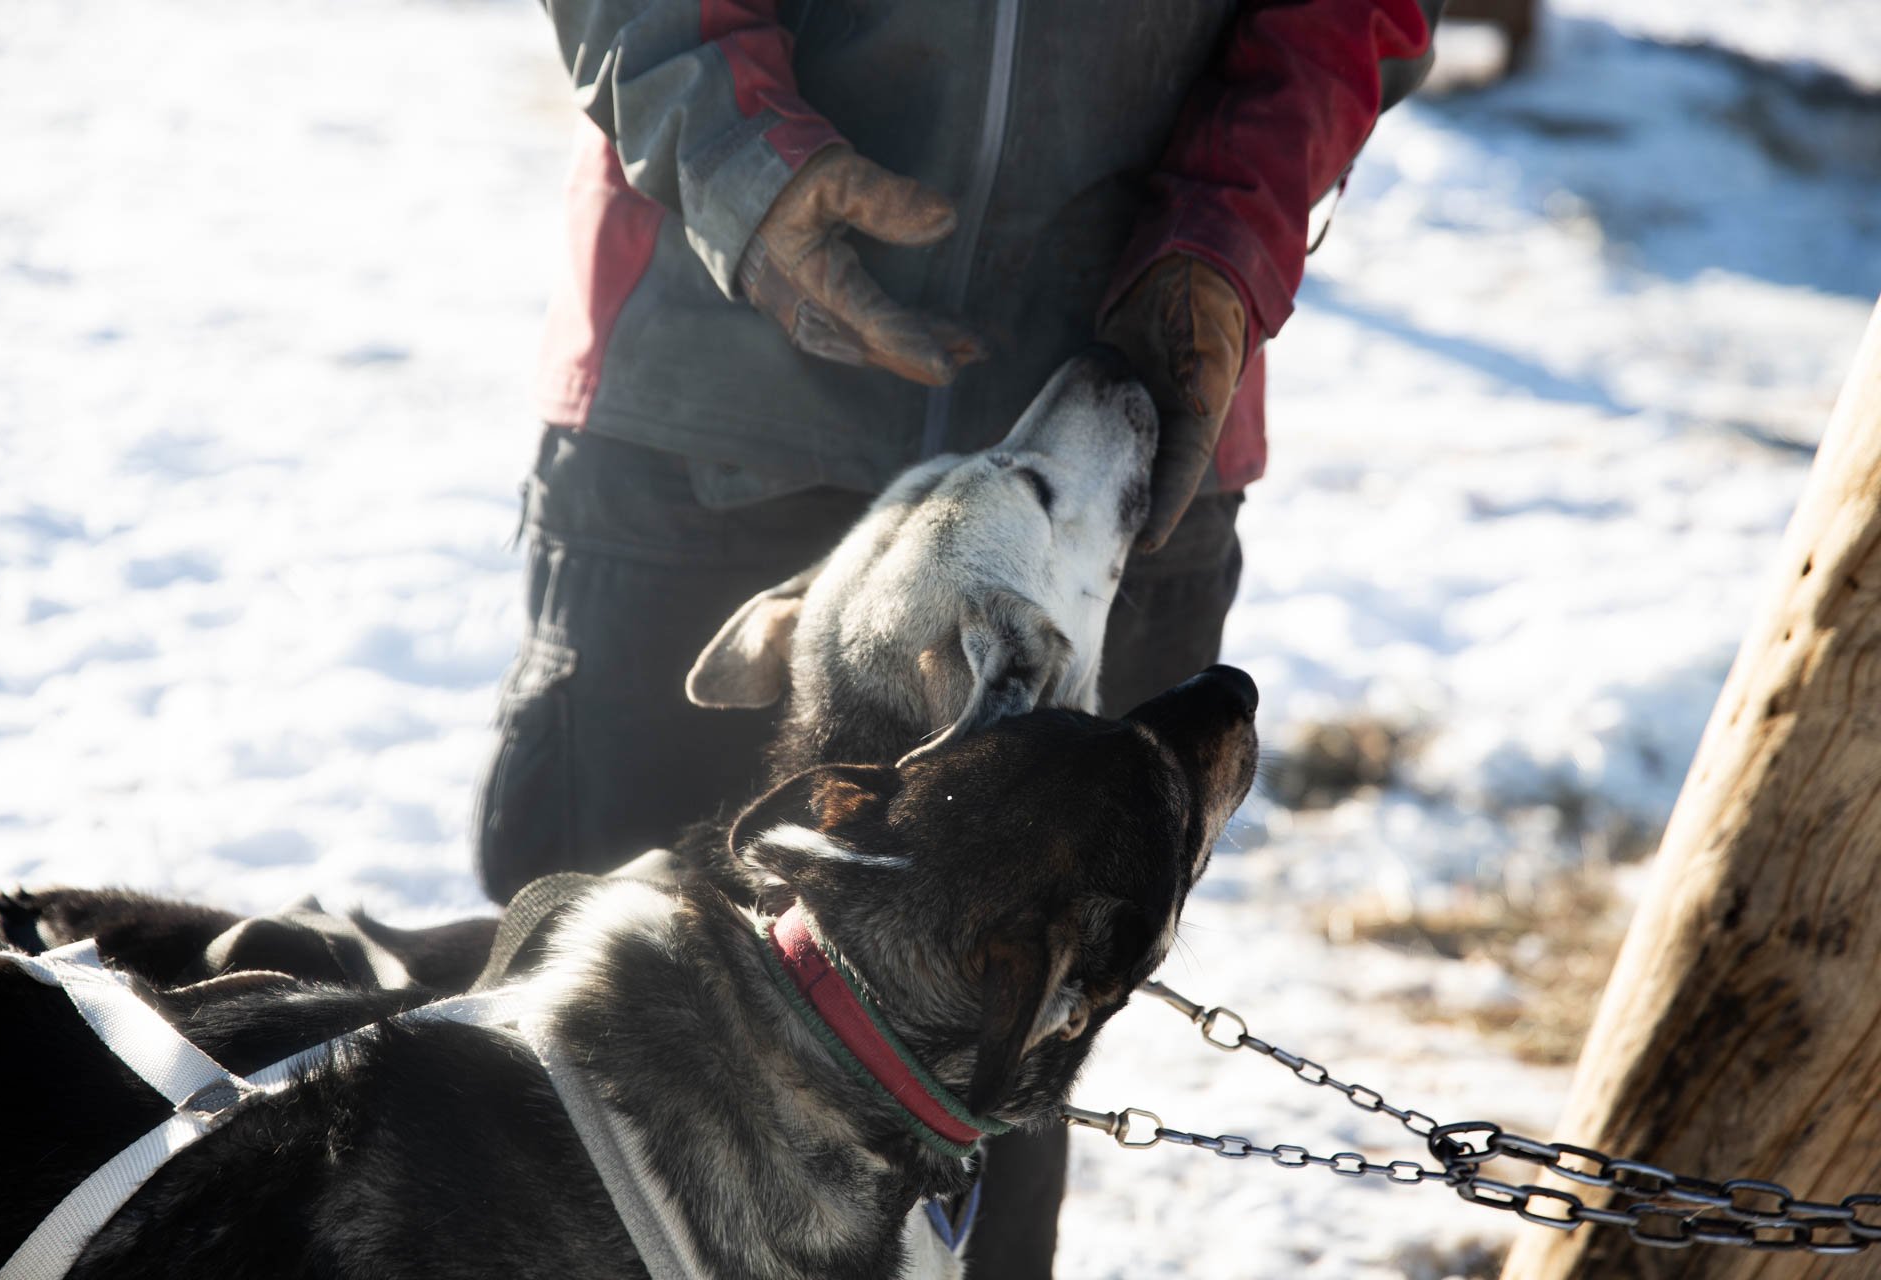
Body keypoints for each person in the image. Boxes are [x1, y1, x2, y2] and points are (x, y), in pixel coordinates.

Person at [477, 3, 1439, 1275]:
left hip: (1136, 406)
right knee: (570, 1070)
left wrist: (1228, 230)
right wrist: (736, 152)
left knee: (994, 1045)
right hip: (711, 399)